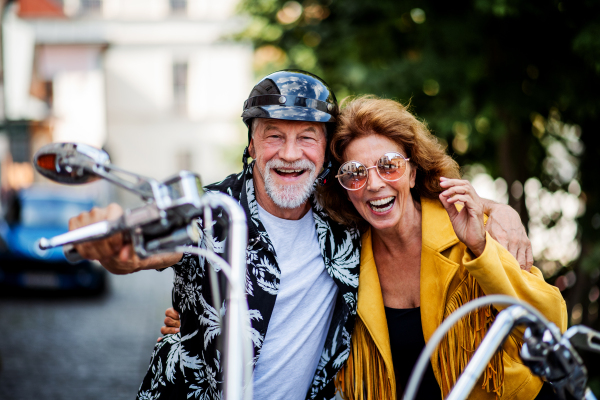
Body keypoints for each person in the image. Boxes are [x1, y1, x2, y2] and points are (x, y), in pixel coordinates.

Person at [68, 71, 533, 400]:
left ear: (325, 152)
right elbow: (147, 248)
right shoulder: (211, 210)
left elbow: (413, 191)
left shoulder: (343, 212)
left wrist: (500, 211)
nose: (289, 154)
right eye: (273, 136)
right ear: (251, 144)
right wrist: (113, 250)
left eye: (306, 137)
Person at [312, 96, 566, 399]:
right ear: (344, 186)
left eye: (389, 165)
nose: (374, 184)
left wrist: (481, 248)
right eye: (355, 172)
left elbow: (551, 327)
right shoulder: (344, 260)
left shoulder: (473, 228)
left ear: (413, 173)